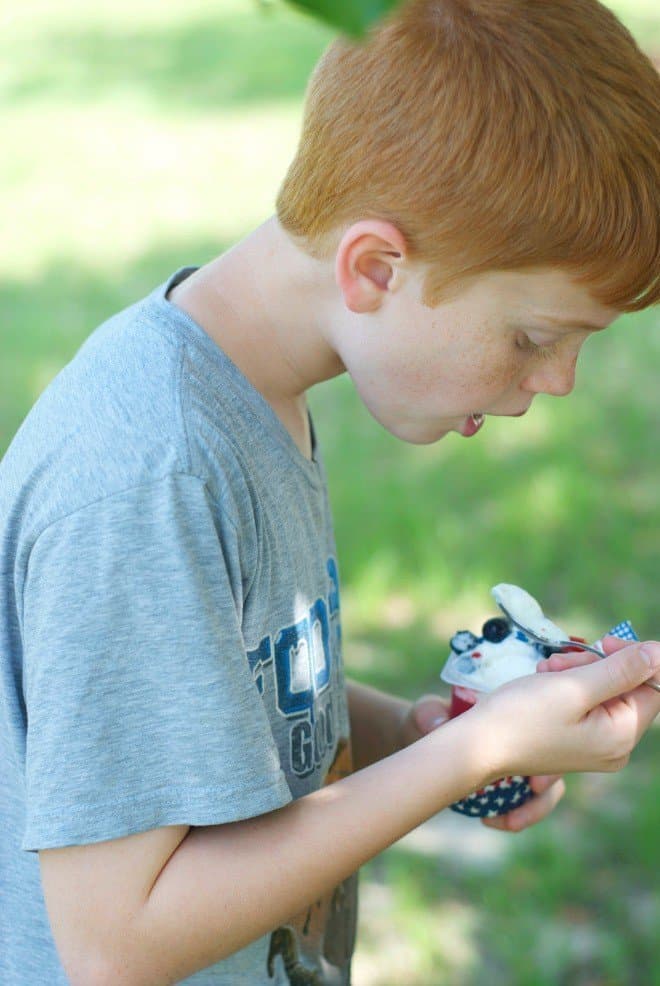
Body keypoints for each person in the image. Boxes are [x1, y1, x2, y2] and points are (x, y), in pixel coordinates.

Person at [1, 0, 659, 983]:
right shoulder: (151, 470)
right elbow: (116, 940)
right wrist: (464, 761)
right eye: (532, 337)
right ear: (375, 267)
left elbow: (212, 680)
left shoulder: (253, 390)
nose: (556, 382)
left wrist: (424, 733)